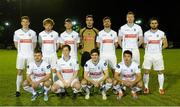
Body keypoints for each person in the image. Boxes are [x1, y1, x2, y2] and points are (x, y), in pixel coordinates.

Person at [142, 17, 168, 95]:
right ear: (150, 24)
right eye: (152, 23)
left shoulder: (161, 33)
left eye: (155, 23)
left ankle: (161, 88)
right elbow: (144, 44)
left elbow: (165, 44)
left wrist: (159, 49)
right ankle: (146, 88)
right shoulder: (146, 33)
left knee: (160, 72)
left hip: (158, 55)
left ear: (157, 24)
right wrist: (146, 47)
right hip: (148, 55)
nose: (154, 24)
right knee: (146, 71)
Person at [13, 16, 37, 97]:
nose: (25, 23)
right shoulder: (17, 32)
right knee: (20, 71)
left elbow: (34, 43)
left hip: (30, 55)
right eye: (23, 21)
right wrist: (20, 51)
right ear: (21, 23)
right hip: (21, 55)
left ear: (29, 23)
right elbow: (16, 42)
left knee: (31, 72)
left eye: (26, 22)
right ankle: (17, 90)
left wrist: (31, 52)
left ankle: (33, 88)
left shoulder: (33, 33)